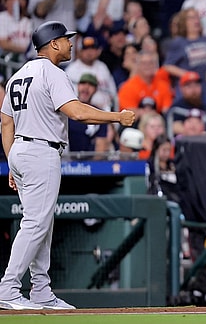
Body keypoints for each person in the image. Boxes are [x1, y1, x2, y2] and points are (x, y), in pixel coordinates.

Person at [0, 21, 135, 310]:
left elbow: (6, 123)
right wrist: (117, 117)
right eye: (66, 39)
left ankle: (40, 290)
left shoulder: (17, 75)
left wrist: (12, 160)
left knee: (41, 223)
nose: (71, 44)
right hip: (40, 151)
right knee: (36, 223)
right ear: (53, 44)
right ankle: (8, 288)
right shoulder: (52, 72)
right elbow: (76, 112)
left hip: (22, 151)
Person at [67, 73, 111, 156]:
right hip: (66, 161)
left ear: (95, 90)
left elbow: (100, 147)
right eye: (83, 83)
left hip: (89, 162)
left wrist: (92, 167)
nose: (86, 87)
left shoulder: (99, 115)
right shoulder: (67, 109)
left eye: (91, 84)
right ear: (78, 86)